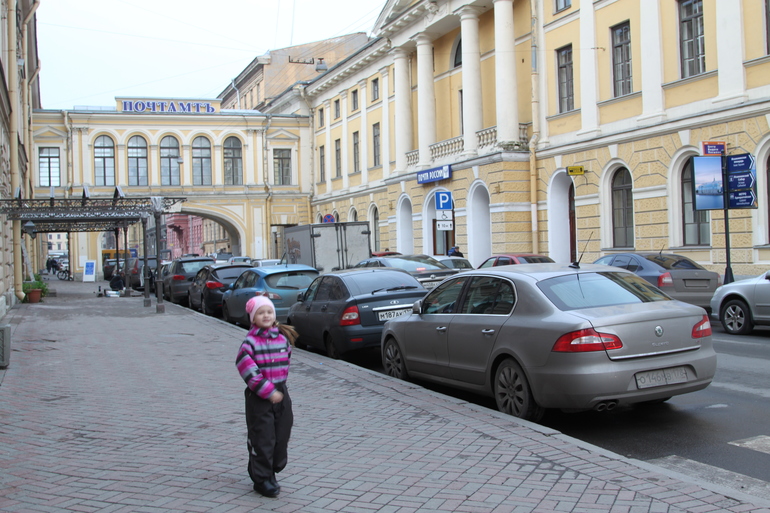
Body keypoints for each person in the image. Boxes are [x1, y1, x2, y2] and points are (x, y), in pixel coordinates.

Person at [236, 296, 296, 498]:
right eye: (261, 313)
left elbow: (286, 361)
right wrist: (268, 391)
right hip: (259, 397)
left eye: (269, 312)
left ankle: (272, 468)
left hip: (280, 393)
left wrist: (279, 390)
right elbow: (247, 369)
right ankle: (262, 479)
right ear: (253, 318)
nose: (266, 316)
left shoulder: (281, 339)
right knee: (263, 438)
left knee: (281, 434)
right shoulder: (249, 343)